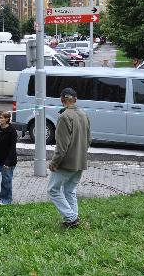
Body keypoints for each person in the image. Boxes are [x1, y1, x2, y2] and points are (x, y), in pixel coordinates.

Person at [48, 88, 91, 228]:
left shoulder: (64, 116)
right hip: (81, 161)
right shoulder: (84, 114)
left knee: (53, 190)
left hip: (67, 163)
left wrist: (54, 162)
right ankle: (73, 219)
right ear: (76, 99)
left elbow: (62, 145)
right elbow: (89, 140)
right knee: (70, 190)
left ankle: (71, 218)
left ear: (62, 100)